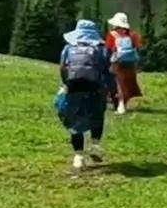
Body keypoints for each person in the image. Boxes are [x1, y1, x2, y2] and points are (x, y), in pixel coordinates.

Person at [57, 18, 112, 169]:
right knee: (97, 115)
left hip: (74, 88)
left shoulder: (69, 48)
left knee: (74, 119)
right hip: (96, 89)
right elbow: (107, 70)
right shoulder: (101, 48)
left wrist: (66, 84)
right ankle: (95, 145)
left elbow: (63, 68)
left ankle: (78, 156)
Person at [106, 12, 147, 113]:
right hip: (130, 63)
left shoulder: (112, 35)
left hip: (117, 62)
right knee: (127, 83)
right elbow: (139, 46)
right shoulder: (133, 35)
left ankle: (119, 105)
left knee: (117, 83)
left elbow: (108, 49)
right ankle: (123, 104)